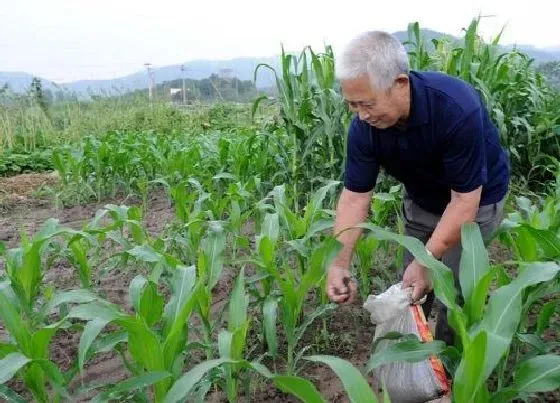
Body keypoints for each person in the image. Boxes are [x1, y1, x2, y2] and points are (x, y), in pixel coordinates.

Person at [325, 30, 510, 345]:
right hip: (423, 201)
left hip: (475, 201)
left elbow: (465, 202)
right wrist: (338, 262)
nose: (361, 115)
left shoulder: (455, 107)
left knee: (456, 291)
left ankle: (452, 372)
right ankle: (413, 364)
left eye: (367, 103)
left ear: (400, 83)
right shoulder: (364, 128)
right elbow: (355, 198)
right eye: (352, 105)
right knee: (411, 285)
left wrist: (428, 262)